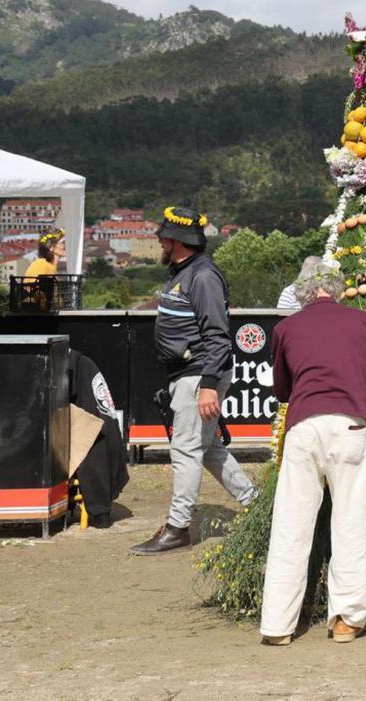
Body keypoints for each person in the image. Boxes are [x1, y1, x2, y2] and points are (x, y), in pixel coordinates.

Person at [259, 261, 366, 646]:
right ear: (339, 288)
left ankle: (278, 625)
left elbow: (282, 390)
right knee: (349, 522)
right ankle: (347, 620)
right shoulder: (364, 322)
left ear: (301, 291)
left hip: (304, 427)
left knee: (290, 525)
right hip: (350, 425)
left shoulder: (285, 328)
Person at [131, 207, 257, 555]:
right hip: (191, 375)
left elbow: (218, 336)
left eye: (163, 237)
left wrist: (206, 386)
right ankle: (258, 505)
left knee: (185, 451)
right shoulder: (184, 271)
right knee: (210, 449)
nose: (159, 240)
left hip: (199, 375)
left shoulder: (202, 277)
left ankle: (177, 528)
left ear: (175, 241)